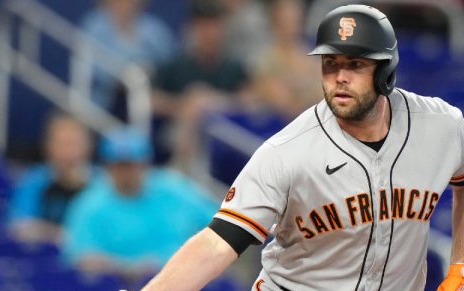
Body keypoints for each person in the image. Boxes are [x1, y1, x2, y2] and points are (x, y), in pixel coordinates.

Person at [92, 5, 464, 291]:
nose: (339, 76)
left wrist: (462, 266)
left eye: (355, 64)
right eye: (330, 64)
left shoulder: (439, 127)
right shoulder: (289, 152)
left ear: (386, 70)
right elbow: (220, 239)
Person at [63, 127, 216, 278]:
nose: (126, 173)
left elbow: (217, 225)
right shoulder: (89, 203)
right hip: (111, 290)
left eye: (131, 165)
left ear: (145, 164)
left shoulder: (173, 188)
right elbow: (79, 254)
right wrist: (124, 268)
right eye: (119, 165)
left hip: (181, 281)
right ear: (108, 167)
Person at [151, 0, 251, 174]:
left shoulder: (233, 67)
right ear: (194, 29)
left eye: (215, 27)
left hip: (223, 137)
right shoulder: (177, 65)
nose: (210, 34)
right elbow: (153, 99)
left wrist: (209, 102)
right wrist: (185, 104)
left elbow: (250, 100)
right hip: (179, 133)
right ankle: (181, 169)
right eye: (204, 27)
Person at [8, 111, 96, 244]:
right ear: (48, 146)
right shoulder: (33, 181)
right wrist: (60, 234)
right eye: (61, 143)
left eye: (72, 143)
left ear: (88, 146)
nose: (67, 152)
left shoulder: (103, 184)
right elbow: (18, 226)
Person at [80, 0, 177, 109]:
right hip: (104, 100)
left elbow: (171, 64)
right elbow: (93, 66)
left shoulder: (154, 29)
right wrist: (126, 75)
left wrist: (150, 73)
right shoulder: (95, 25)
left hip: (147, 95)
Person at [248, 0, 323, 120]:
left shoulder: (313, 59)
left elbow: (322, 96)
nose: (291, 24)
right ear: (275, 22)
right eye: (286, 19)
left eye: (294, 19)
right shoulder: (266, 60)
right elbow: (282, 101)